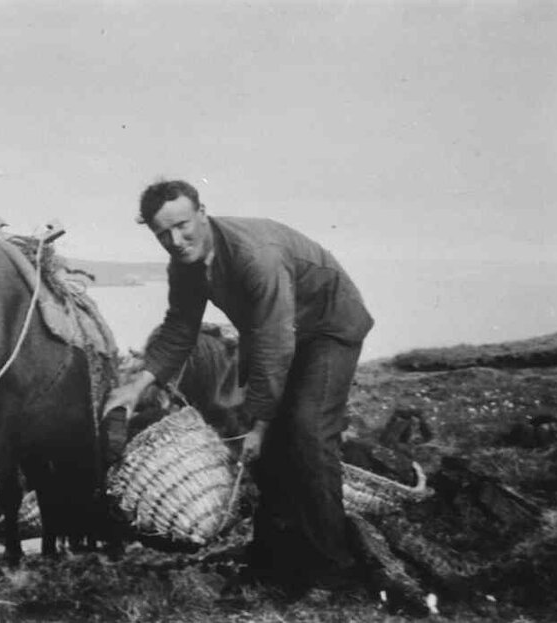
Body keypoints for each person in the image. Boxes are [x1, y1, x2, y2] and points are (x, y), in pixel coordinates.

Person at [104, 179, 374, 593]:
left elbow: (275, 341)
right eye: (162, 234)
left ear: (202, 212)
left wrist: (261, 424)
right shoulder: (187, 264)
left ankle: (333, 568)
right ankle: (276, 559)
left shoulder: (255, 256)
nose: (175, 241)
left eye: (182, 226)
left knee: (307, 433)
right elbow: (180, 328)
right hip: (278, 333)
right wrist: (138, 385)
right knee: (269, 452)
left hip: (327, 328)